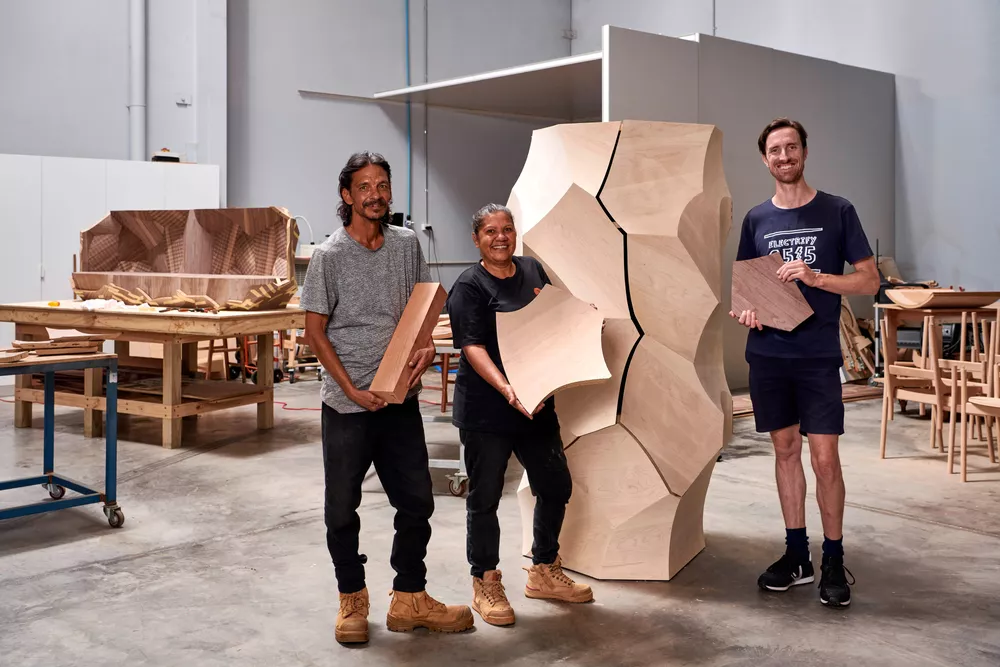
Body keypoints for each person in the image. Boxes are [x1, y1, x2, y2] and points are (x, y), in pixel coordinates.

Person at [301, 151, 473, 644]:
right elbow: (315, 332)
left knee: (417, 501)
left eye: (383, 185)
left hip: (401, 398)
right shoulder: (330, 257)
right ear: (347, 196)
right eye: (365, 186)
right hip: (347, 404)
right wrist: (351, 387)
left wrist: (422, 350)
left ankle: (409, 597)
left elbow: (421, 308)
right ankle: (352, 599)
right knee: (341, 508)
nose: (375, 194)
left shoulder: (406, 245)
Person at [731, 118, 879, 608]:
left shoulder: (837, 211)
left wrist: (817, 278)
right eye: (775, 150)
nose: (784, 156)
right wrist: (746, 312)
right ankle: (798, 555)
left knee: (825, 458)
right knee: (786, 451)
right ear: (765, 159)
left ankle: (833, 557)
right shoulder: (755, 220)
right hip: (768, 355)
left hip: (816, 357)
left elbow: (868, 282)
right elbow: (746, 289)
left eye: (791, 147)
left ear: (804, 152)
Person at [445, 203, 593, 627]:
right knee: (485, 498)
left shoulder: (532, 271)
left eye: (506, 229)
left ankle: (544, 570)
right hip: (488, 411)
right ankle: (486, 581)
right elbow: (472, 348)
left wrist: (583, 326)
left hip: (537, 406)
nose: (500, 237)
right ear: (476, 240)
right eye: (489, 231)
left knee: (555, 485)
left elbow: (552, 324)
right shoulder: (468, 286)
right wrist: (509, 390)